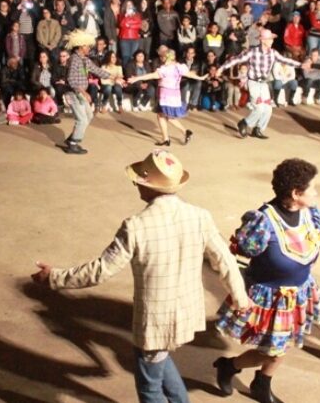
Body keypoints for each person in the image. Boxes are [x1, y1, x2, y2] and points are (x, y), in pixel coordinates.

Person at [31, 150, 250, 403]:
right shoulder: (200, 216)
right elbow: (224, 260)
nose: (135, 183)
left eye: (139, 180)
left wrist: (53, 277)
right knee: (160, 358)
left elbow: (100, 271)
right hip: (187, 313)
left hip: (155, 321)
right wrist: (240, 297)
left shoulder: (135, 226)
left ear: (148, 186)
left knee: (149, 388)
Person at [214, 158, 320, 403]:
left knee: (281, 348)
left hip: (299, 295)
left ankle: (260, 382)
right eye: (312, 188)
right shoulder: (263, 221)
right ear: (296, 193)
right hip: (269, 299)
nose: (316, 192)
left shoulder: (310, 213)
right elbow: (241, 251)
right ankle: (231, 367)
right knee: (276, 351)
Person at [215, 29, 301, 139]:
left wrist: (300, 65)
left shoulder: (273, 53)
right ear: (263, 40)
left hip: (264, 84)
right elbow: (236, 60)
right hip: (254, 83)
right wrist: (221, 68)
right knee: (259, 108)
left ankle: (259, 129)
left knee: (268, 109)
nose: (272, 41)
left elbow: (285, 60)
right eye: (270, 39)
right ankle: (244, 123)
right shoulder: (252, 52)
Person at [128, 48, 206, 146]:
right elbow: (190, 74)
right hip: (174, 96)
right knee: (163, 115)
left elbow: (152, 75)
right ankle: (169, 137)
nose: (162, 58)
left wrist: (137, 78)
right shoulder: (179, 67)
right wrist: (200, 78)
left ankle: (180, 133)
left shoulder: (165, 69)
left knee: (165, 116)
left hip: (166, 96)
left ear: (167, 57)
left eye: (164, 56)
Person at [62, 30, 111, 155]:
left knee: (88, 116)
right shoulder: (74, 60)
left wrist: (115, 78)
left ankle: (72, 139)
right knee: (82, 119)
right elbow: (71, 80)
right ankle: (73, 144)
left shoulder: (85, 60)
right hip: (73, 93)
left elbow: (97, 70)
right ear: (82, 46)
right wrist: (84, 93)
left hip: (80, 93)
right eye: (88, 46)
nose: (89, 48)